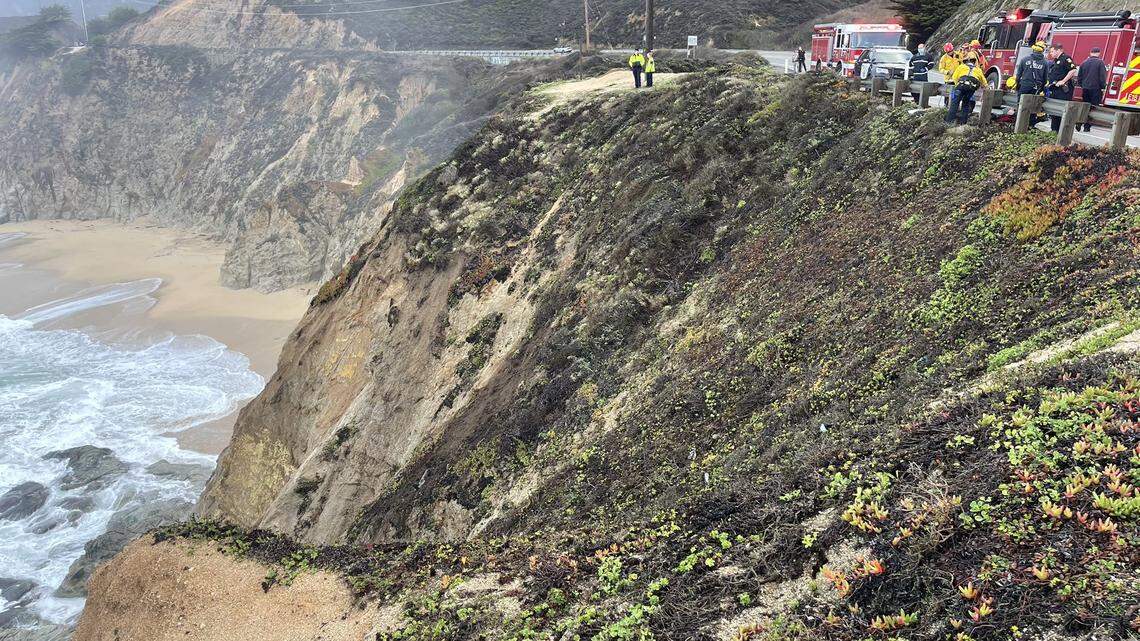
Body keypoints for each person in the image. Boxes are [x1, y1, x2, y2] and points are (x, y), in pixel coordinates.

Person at [1012, 42, 1048, 125]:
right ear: (1042, 51)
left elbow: (1018, 75)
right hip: (1036, 88)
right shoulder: (1045, 63)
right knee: (1033, 106)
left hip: (1024, 85)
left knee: (1021, 105)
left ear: (1033, 49)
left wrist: (1017, 84)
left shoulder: (1024, 59)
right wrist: (1041, 88)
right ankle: (1030, 125)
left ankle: (1019, 124)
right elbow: (1045, 79)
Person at [1046, 43, 1078, 132]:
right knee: (1054, 111)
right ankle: (1054, 129)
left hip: (1063, 90)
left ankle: (1059, 130)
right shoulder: (1056, 61)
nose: (1051, 54)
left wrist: (1063, 81)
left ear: (1058, 50)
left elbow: (1073, 70)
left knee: (1060, 111)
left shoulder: (1066, 59)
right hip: (1055, 89)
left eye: (1052, 51)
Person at [947, 53, 986, 125]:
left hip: (961, 86)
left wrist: (957, 85)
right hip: (971, 88)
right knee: (966, 103)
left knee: (955, 103)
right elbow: (984, 82)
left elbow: (954, 77)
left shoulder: (961, 67)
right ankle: (963, 123)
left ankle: (949, 122)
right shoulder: (978, 70)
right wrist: (985, 88)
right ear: (974, 61)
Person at [1078, 46, 1108, 132]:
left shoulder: (1084, 62)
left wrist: (1082, 85)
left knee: (1085, 106)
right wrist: (1103, 87)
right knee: (1093, 108)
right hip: (1096, 89)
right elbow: (1102, 77)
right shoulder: (1100, 63)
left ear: (1090, 53)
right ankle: (1087, 127)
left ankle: (1079, 121)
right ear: (1098, 53)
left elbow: (1080, 76)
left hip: (1085, 88)